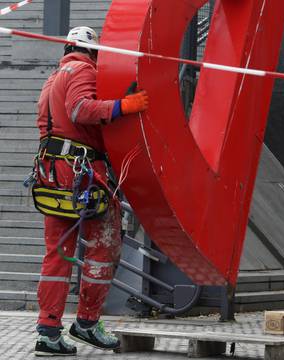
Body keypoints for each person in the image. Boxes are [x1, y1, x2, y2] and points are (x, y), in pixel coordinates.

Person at [33, 26, 149, 356]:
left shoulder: (53, 77)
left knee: (56, 253)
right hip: (83, 174)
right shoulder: (84, 68)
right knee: (105, 245)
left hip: (52, 174)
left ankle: (48, 331)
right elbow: (80, 109)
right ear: (93, 52)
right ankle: (86, 321)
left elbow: (50, 122)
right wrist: (122, 107)